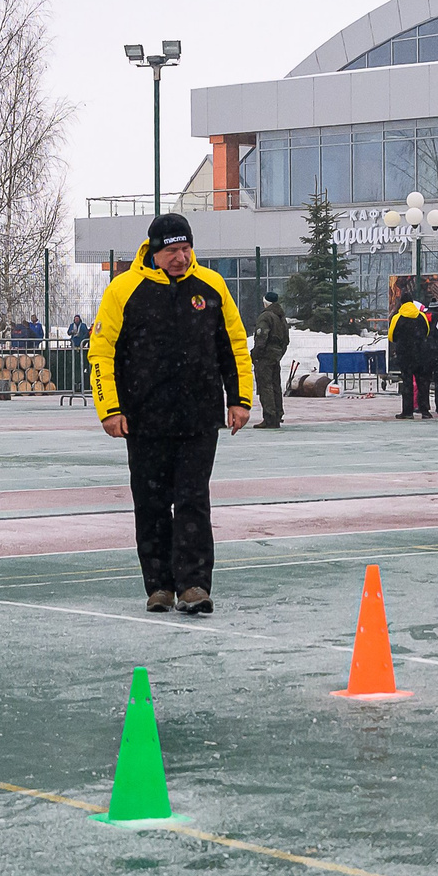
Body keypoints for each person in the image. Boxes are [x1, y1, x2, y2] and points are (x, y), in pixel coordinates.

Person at [89, 213, 252, 613]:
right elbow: (101, 353)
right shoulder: (123, 290)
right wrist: (109, 409)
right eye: (172, 250)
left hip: (199, 419)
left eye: (185, 249)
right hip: (144, 421)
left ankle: (194, 586)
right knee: (151, 502)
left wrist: (240, 399)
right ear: (154, 251)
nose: (180, 257)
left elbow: (233, 345)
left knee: (194, 500)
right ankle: (159, 587)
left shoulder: (211, 287)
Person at [389, 295, 435, 418]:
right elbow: (427, 331)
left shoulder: (397, 317)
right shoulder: (421, 316)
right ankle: (425, 411)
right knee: (423, 382)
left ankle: (407, 412)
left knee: (407, 382)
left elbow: (391, 336)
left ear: (401, 303)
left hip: (405, 354)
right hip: (421, 353)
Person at [250, 289, 289, 428]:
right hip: (276, 355)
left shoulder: (266, 316)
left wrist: (255, 354)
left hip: (265, 356)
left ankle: (269, 417)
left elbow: (261, 337)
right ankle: (277, 414)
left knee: (265, 386)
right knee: (275, 385)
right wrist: (279, 353)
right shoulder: (281, 317)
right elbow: (286, 340)